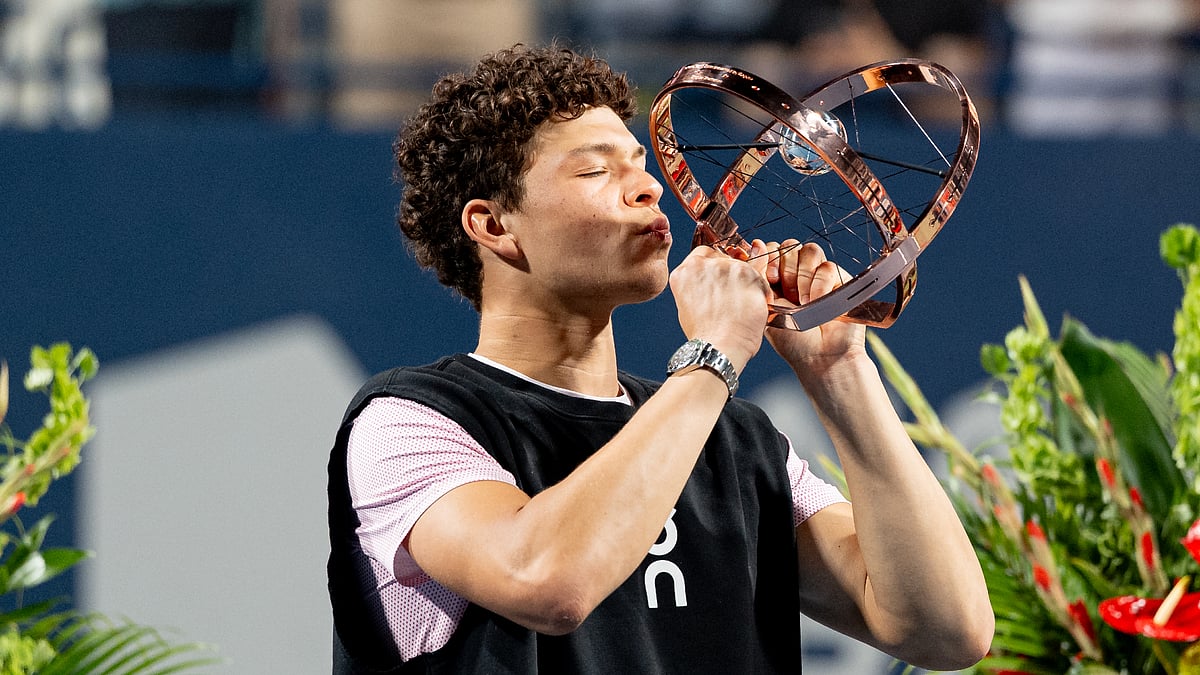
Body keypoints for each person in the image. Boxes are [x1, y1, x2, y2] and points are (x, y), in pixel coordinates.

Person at [327, 43, 993, 674]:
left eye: (640, 163)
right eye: (595, 170)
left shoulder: (737, 442)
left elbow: (948, 628)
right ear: (494, 225)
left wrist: (838, 371)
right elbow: (547, 579)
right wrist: (714, 355)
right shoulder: (409, 425)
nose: (646, 189)